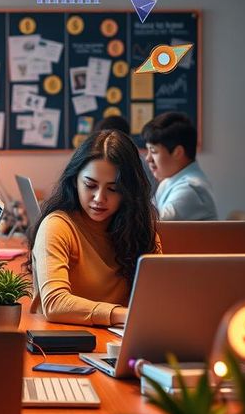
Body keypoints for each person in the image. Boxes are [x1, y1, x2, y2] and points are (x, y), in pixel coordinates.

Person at [28, 130, 160, 327]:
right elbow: (54, 303)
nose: (99, 198)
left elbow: (157, 299)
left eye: (113, 189)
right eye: (90, 185)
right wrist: (126, 315)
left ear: (128, 192)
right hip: (64, 341)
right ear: (75, 181)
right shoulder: (57, 225)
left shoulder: (140, 229)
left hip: (119, 341)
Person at [141, 112, 218, 221]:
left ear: (178, 152)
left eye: (153, 151)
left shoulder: (191, 189)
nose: (148, 158)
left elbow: (153, 225)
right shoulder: (169, 181)